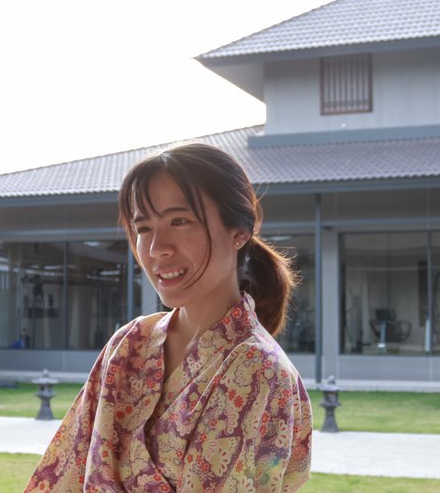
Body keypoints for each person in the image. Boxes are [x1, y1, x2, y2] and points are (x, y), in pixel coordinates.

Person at [26, 143, 312, 492]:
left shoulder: (257, 368)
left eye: (180, 221)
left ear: (238, 231)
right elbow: (65, 471)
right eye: (143, 227)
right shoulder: (130, 343)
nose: (157, 247)